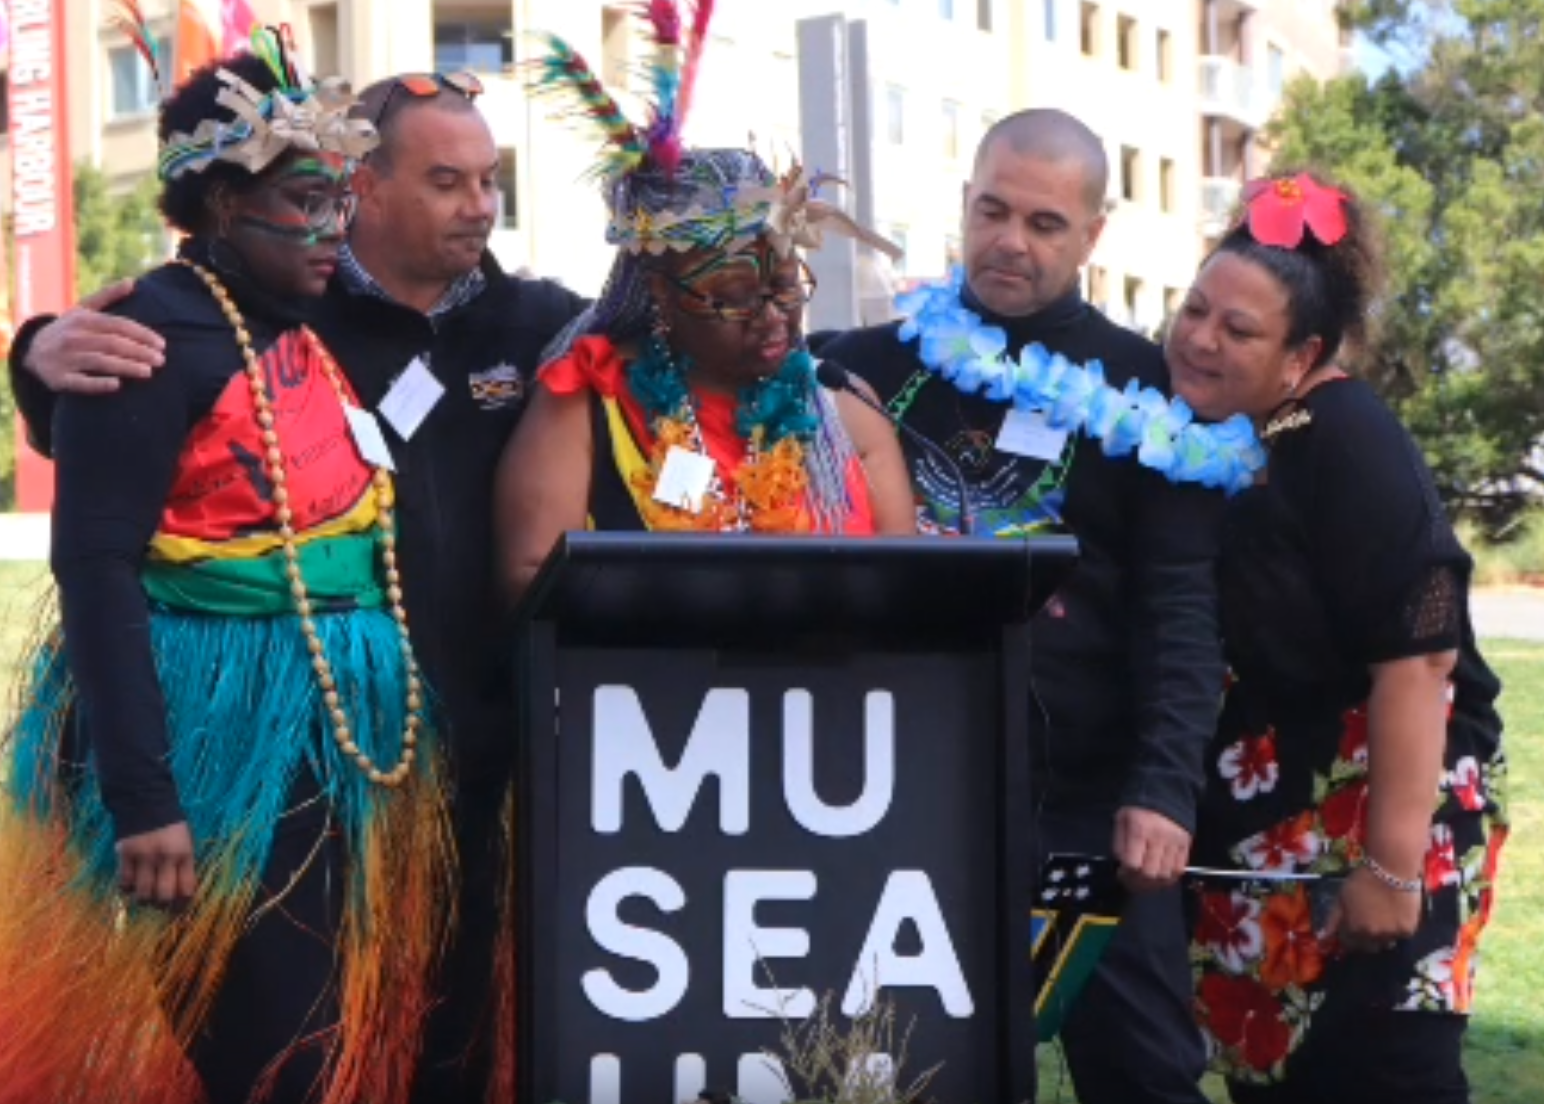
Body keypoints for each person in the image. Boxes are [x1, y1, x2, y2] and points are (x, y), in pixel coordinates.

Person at [6, 70, 587, 1104]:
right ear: (227, 203)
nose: (479, 204)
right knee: (288, 1060)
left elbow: (669, 336)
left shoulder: (488, 320)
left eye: (489, 180)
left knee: (412, 1046)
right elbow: (94, 560)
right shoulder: (162, 331)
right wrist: (31, 352)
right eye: (307, 202)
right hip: (228, 766)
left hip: (399, 773)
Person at [817, 109, 1251, 1103]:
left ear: (1092, 235)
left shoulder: (1145, 392)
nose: (1010, 240)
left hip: (1087, 805)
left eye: (1045, 223)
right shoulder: (862, 367)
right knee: (897, 1072)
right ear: (964, 208)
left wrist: (1161, 790)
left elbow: (1178, 610)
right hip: (887, 795)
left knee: (1142, 1072)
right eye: (992, 210)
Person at [1168, 172, 1507, 1104]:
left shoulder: (1345, 434)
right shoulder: (1247, 433)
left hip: (1377, 827)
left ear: (1300, 353)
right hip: (1274, 830)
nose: (1200, 338)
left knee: (1387, 1076)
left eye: (1238, 331)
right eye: (1194, 309)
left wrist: (1393, 869)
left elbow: (1422, 654)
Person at [496, 18, 914, 596]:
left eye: (786, 287)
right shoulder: (589, 403)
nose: (771, 316)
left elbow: (910, 594)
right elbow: (528, 582)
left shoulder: (847, 411)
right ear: (663, 294)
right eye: (736, 296)